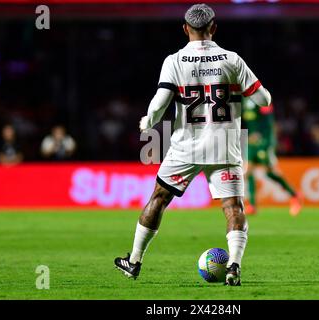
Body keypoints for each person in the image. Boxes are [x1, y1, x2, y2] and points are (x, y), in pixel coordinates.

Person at [114, 3, 272, 286]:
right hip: (225, 145)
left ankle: (134, 261)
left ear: (186, 29)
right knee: (233, 207)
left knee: (159, 199)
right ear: (213, 28)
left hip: (186, 145)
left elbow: (161, 101)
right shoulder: (232, 60)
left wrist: (149, 120)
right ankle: (234, 266)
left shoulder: (174, 61)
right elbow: (264, 100)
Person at [242, 98, 303, 216]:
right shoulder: (243, 100)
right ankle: (253, 205)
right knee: (248, 170)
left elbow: (271, 124)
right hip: (252, 142)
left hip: (265, 141)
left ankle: (295, 195)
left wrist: (270, 142)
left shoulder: (262, 99)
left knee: (269, 172)